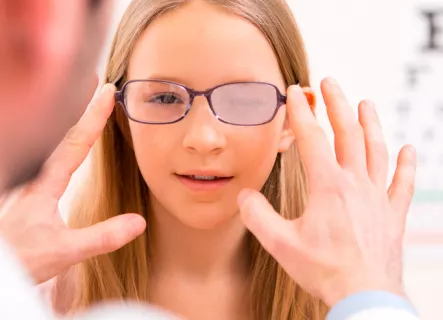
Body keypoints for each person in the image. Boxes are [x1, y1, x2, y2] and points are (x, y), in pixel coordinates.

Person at [0, 0, 420, 319]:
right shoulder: (31, 296)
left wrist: (367, 290)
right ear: (120, 114)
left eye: (242, 99)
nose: (203, 139)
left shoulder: (353, 299)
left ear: (293, 117)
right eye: (164, 97)